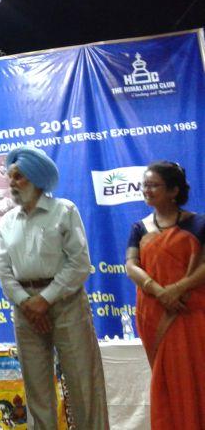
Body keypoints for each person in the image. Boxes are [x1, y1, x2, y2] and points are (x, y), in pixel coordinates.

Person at [0, 146, 108, 430]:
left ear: (36, 178)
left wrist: (45, 299)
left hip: (66, 302)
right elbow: (4, 270)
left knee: (83, 382)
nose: (12, 183)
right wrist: (26, 302)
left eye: (18, 177)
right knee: (36, 387)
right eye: (10, 177)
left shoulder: (63, 210)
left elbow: (80, 263)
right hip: (25, 310)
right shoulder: (6, 222)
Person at [125, 161, 205, 430]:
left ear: (173, 190)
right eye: (144, 185)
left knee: (196, 377)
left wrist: (178, 288)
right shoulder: (140, 228)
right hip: (154, 313)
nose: (146, 190)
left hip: (189, 313)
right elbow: (131, 265)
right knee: (166, 380)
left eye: (153, 185)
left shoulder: (198, 225)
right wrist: (159, 291)